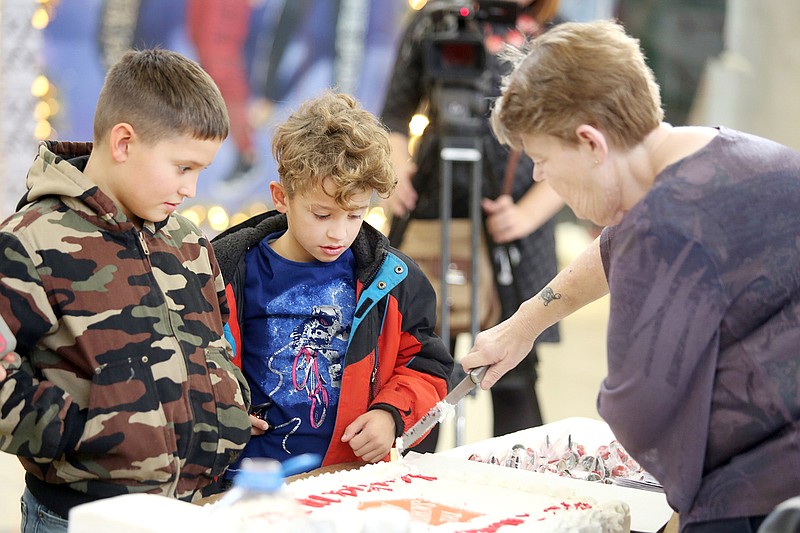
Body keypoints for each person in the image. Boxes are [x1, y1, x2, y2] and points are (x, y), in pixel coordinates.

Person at [461, 19, 800, 533]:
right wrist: (523, 324)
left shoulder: (662, 228)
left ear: (591, 143)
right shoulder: (749, 156)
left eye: (543, 158)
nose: (538, 176)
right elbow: (614, 247)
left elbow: (640, 411)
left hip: (756, 496)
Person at [0, 48, 252, 533]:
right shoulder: (30, 240)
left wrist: (226, 405)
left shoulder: (188, 242)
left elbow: (217, 342)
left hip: (193, 511)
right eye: (183, 168)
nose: (192, 189)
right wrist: (82, 431)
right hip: (79, 516)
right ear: (123, 142)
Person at [211, 91, 453, 477]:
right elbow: (191, 364)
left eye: (355, 214)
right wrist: (221, 405)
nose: (338, 233)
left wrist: (390, 416)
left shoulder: (395, 283)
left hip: (348, 480)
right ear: (281, 197)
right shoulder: (224, 270)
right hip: (244, 478)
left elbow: (426, 367)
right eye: (322, 214)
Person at [380, 0, 565, 448]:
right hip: (433, 209)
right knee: (423, 361)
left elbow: (576, 136)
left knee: (515, 370)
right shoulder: (436, 21)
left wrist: (526, 214)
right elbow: (394, 114)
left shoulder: (556, 34)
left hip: (516, 225)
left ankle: (520, 497)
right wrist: (396, 169)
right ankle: (411, 489)